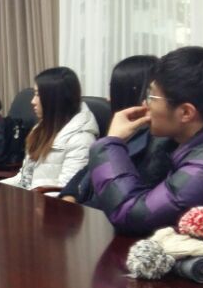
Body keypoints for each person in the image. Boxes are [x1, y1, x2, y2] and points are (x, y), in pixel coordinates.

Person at [88, 46, 203, 235]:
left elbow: (132, 215)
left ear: (185, 112)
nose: (145, 104)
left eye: (151, 96)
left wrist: (111, 143)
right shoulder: (196, 132)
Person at [59, 56, 176, 205]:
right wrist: (70, 196)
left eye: (114, 91)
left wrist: (111, 142)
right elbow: (88, 169)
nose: (108, 99)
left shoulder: (154, 142)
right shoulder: (127, 132)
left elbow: (118, 199)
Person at [0, 67, 99, 190]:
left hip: (47, 201)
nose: (32, 101)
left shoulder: (81, 140)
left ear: (54, 99)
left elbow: (67, 192)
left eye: (38, 95)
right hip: (30, 197)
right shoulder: (40, 129)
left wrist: (30, 194)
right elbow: (24, 180)